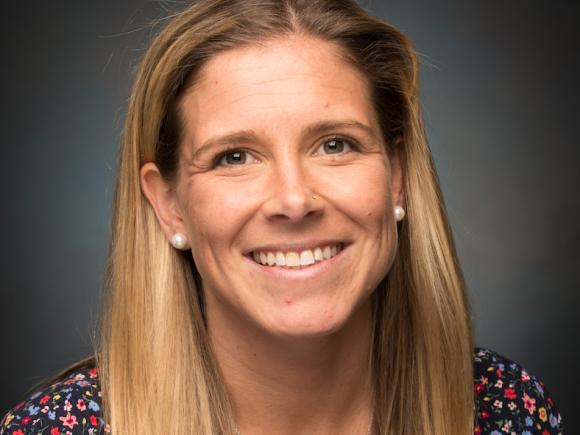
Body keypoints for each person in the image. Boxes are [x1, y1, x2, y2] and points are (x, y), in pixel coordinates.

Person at [0, 1, 565, 434]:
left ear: (397, 177)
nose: (294, 201)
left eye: (336, 144)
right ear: (168, 204)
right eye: (235, 157)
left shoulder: (503, 409)